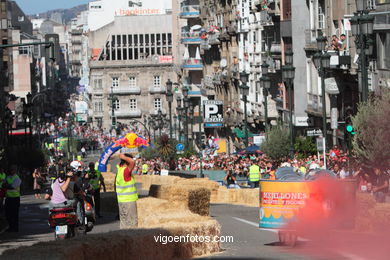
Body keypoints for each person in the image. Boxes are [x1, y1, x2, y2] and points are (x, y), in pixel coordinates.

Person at [116, 153, 138, 229]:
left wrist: (123, 157)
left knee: (123, 223)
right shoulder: (126, 171)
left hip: (121, 201)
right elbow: (132, 162)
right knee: (132, 223)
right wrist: (124, 157)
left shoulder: (119, 170)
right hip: (129, 201)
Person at [3, 165, 22, 232]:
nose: (11, 171)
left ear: (15, 170)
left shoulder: (17, 178)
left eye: (12, 170)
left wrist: (7, 185)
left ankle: (15, 228)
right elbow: (3, 185)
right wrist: (8, 185)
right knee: (8, 214)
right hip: (8, 198)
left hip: (15, 198)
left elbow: (12, 187)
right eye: (10, 169)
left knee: (14, 214)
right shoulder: (8, 177)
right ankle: (11, 227)